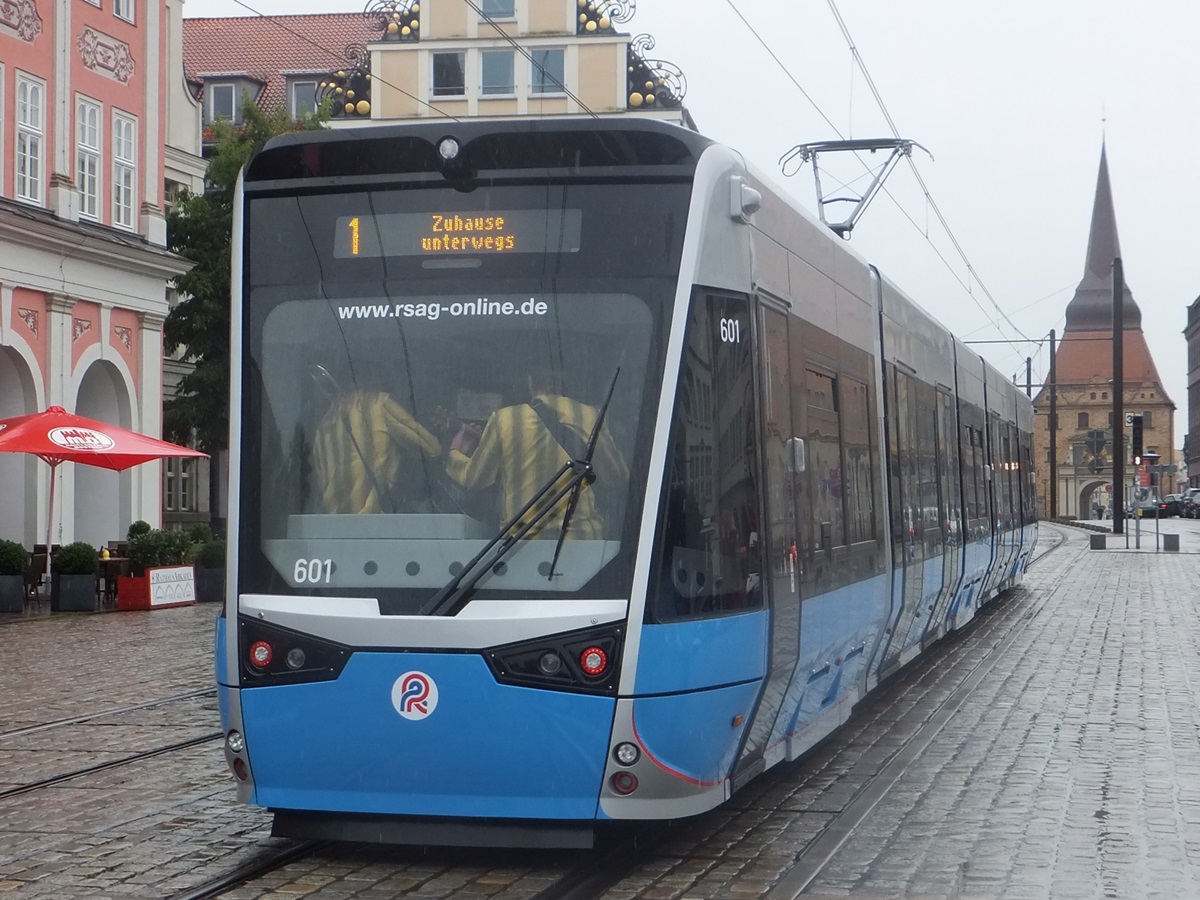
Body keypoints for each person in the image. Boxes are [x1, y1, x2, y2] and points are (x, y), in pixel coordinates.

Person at [445, 371, 627, 538]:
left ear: (530, 381)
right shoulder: (589, 415)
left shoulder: (505, 419)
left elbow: (474, 479)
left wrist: (455, 453)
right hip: (582, 545)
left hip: (520, 546)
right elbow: (617, 476)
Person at [311, 365, 442, 515]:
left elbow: (321, 483)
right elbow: (432, 448)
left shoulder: (324, 424)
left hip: (333, 528)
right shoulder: (380, 403)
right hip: (375, 523)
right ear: (376, 381)